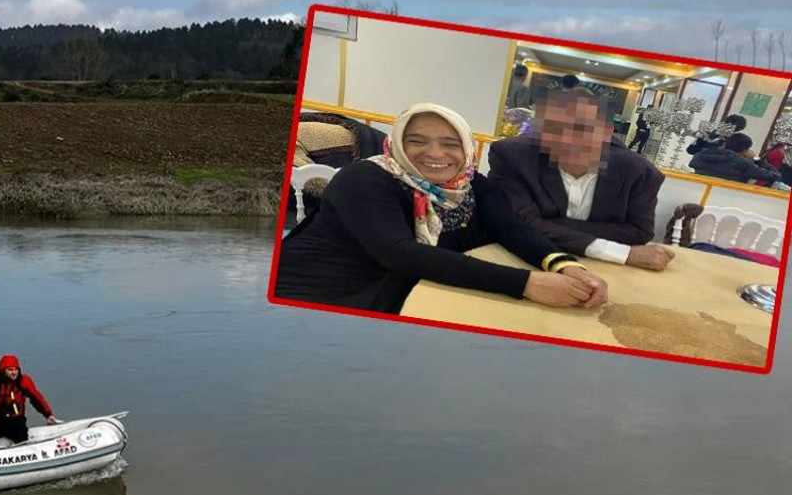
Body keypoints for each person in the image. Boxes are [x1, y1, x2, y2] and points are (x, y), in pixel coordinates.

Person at [273, 102, 609, 314]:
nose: (436, 154)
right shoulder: (363, 178)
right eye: (417, 141)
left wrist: (567, 267)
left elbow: (513, 228)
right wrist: (527, 284)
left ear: (467, 149)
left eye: (451, 143)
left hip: (412, 286)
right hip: (324, 294)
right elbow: (399, 253)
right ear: (397, 143)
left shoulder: (471, 184)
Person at [488, 88, 674, 272]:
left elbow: (639, 232)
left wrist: (543, 222)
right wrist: (620, 252)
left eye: (582, 128)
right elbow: (513, 222)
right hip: (524, 259)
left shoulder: (639, 173)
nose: (567, 140)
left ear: (606, 132)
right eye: (555, 129)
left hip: (608, 272)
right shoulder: (512, 157)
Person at [0, 355, 58, 447]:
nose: (14, 373)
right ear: (3, 371)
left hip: (16, 421)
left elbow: (37, 398)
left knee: (21, 435)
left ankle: (23, 451)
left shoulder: (24, 381)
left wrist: (48, 415)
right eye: (10, 370)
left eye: (16, 369)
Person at [688, 133, 791, 188]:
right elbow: (776, 175)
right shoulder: (743, 164)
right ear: (744, 150)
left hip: (696, 192)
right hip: (730, 199)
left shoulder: (701, 155)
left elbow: (691, 163)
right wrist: (757, 159)